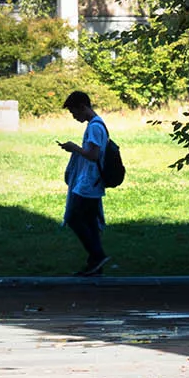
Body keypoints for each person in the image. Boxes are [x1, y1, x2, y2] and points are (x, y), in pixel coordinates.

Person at [58, 90, 111, 276]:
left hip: (90, 183)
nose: (74, 117)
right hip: (92, 182)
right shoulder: (95, 124)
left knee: (73, 218)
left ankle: (97, 256)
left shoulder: (95, 127)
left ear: (83, 107)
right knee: (89, 222)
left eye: (74, 112)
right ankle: (95, 265)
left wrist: (75, 148)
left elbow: (93, 155)